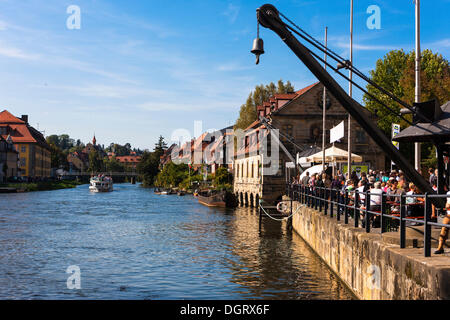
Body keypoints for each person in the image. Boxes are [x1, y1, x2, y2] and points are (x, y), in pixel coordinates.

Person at [434, 189, 450, 255]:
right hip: (449, 214)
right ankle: (440, 247)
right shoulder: (448, 193)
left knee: (444, 230)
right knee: (444, 229)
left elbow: (447, 205)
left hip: (449, 213)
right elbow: (447, 204)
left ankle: (440, 247)